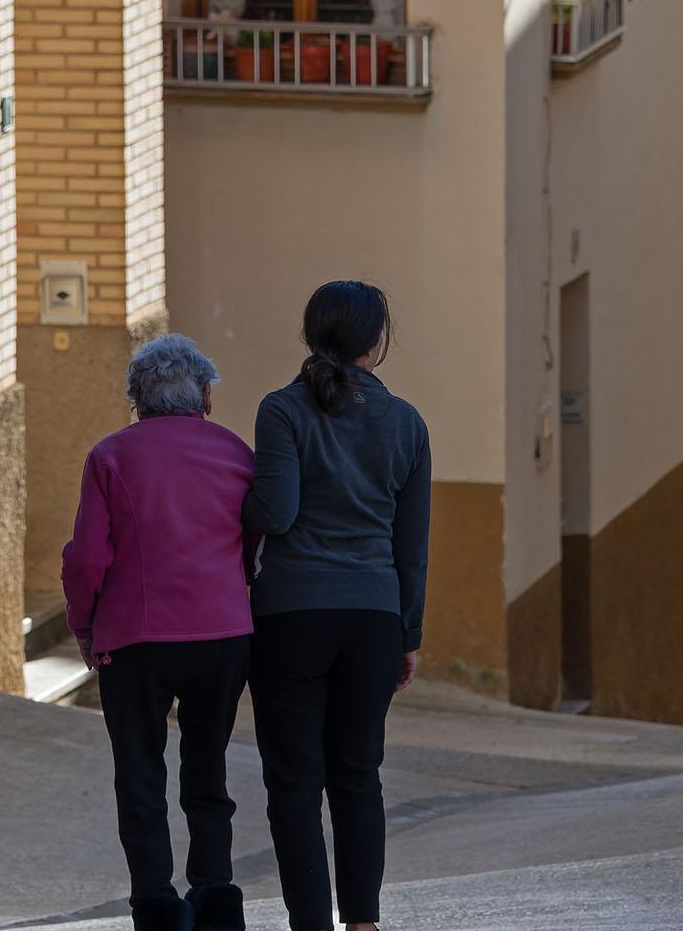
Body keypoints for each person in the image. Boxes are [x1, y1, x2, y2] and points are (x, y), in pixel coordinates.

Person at [243, 281, 431, 931]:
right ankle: (364, 924)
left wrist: (232, 504)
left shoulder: (281, 411)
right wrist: (408, 633)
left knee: (294, 784)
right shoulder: (407, 423)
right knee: (358, 776)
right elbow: (412, 547)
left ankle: (310, 925)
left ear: (311, 334)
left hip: (291, 617)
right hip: (373, 619)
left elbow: (277, 511)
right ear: (376, 343)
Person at [63, 333, 257, 931]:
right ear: (205, 395)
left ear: (136, 398)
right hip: (222, 636)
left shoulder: (111, 457)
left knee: (140, 772)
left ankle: (154, 903)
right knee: (208, 767)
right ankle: (216, 895)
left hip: (136, 640)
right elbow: (255, 544)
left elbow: (87, 559)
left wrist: (84, 623)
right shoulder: (236, 453)